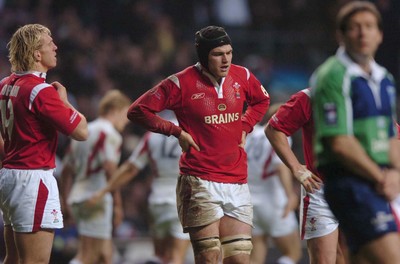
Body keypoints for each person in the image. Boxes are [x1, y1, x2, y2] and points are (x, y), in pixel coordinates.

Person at [127, 25, 270, 263]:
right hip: (199, 181)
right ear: (203, 56)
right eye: (217, 54)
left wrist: (245, 126)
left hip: (237, 181)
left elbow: (262, 101)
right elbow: (138, 110)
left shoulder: (243, 76)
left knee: (240, 259)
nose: (226, 60)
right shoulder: (180, 83)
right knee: (209, 257)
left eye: (229, 52)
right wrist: (175, 131)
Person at [312, 1, 400, 263]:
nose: (363, 33)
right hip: (350, 183)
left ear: (380, 34)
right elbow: (340, 142)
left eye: (370, 27)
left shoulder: (385, 78)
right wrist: (383, 178)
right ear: (341, 35)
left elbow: (390, 135)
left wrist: (395, 173)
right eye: (355, 28)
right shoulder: (332, 75)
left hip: (377, 182)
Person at [0, 23, 88, 264]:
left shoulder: (5, 85)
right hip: (32, 178)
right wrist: (66, 102)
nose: (55, 47)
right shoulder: (40, 90)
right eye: (50, 43)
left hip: (9, 176)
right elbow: (81, 132)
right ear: (37, 54)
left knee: (13, 259)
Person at [88, 110, 192, 264]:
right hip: (183, 199)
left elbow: (131, 168)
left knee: (160, 256)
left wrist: (105, 190)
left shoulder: (154, 134)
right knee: (176, 258)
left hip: (157, 200)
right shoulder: (192, 131)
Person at [265, 88, 348, 264]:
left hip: (358, 189)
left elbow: (393, 136)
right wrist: (296, 168)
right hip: (319, 189)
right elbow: (274, 129)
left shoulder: (368, 92)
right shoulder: (311, 96)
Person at [60, 89, 131, 264]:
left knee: (105, 255)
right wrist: (118, 204)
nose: (127, 121)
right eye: (125, 114)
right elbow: (109, 170)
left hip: (78, 196)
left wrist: (66, 198)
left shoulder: (84, 131)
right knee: (87, 256)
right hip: (96, 198)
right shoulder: (110, 135)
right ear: (115, 110)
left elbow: (65, 171)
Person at [246, 103, 302, 264]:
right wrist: (290, 194)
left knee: (256, 254)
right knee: (293, 253)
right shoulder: (280, 134)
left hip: (250, 200)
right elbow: (280, 167)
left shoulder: (252, 133)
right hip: (274, 200)